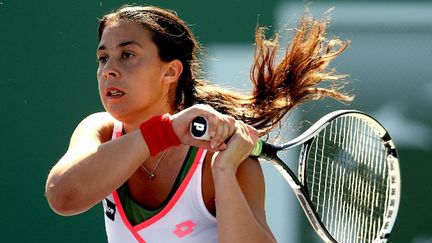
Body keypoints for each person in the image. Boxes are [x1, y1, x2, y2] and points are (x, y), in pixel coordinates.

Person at [45, 5, 352, 243]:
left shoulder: (228, 162)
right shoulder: (100, 130)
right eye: (103, 58)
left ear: (171, 72)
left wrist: (223, 171)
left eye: (127, 55)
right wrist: (165, 132)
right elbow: (63, 197)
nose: (109, 70)